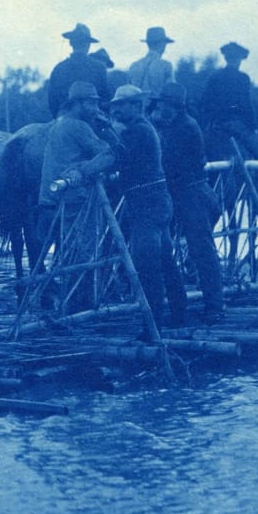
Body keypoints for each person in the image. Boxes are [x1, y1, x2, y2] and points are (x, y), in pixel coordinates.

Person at [107, 84, 187, 335]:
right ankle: (179, 314)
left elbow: (115, 158)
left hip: (146, 205)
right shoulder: (146, 128)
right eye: (116, 106)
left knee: (147, 265)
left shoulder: (136, 132)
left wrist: (84, 169)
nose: (117, 110)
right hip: (159, 201)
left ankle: (152, 326)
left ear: (136, 105)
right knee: (166, 261)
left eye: (122, 105)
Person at [36, 81, 117, 309]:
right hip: (73, 200)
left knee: (67, 253)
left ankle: (65, 301)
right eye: (91, 103)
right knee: (83, 251)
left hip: (51, 199)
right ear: (78, 104)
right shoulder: (79, 127)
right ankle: (78, 306)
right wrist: (107, 128)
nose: (95, 109)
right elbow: (109, 154)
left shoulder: (59, 124)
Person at [153, 83, 225, 321]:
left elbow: (170, 162)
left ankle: (214, 306)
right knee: (189, 248)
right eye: (162, 104)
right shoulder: (173, 125)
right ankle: (184, 305)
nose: (162, 109)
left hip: (192, 193)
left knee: (201, 249)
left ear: (176, 107)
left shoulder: (185, 128)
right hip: (183, 191)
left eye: (167, 105)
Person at [199, 41, 258, 161]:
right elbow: (246, 105)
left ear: (226, 58)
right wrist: (253, 127)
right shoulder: (243, 78)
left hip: (216, 124)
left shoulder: (214, 76)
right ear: (240, 59)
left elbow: (205, 102)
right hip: (237, 125)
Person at [46, 23, 113, 116]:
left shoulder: (59, 68)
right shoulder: (99, 68)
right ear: (88, 45)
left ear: (71, 43)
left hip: (63, 118)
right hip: (91, 118)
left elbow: (52, 103)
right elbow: (106, 98)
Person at [126, 26, 175, 98]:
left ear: (148, 44)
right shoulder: (166, 66)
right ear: (161, 44)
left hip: (136, 107)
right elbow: (171, 93)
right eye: (164, 43)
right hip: (157, 108)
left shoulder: (134, 66)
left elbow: (128, 92)